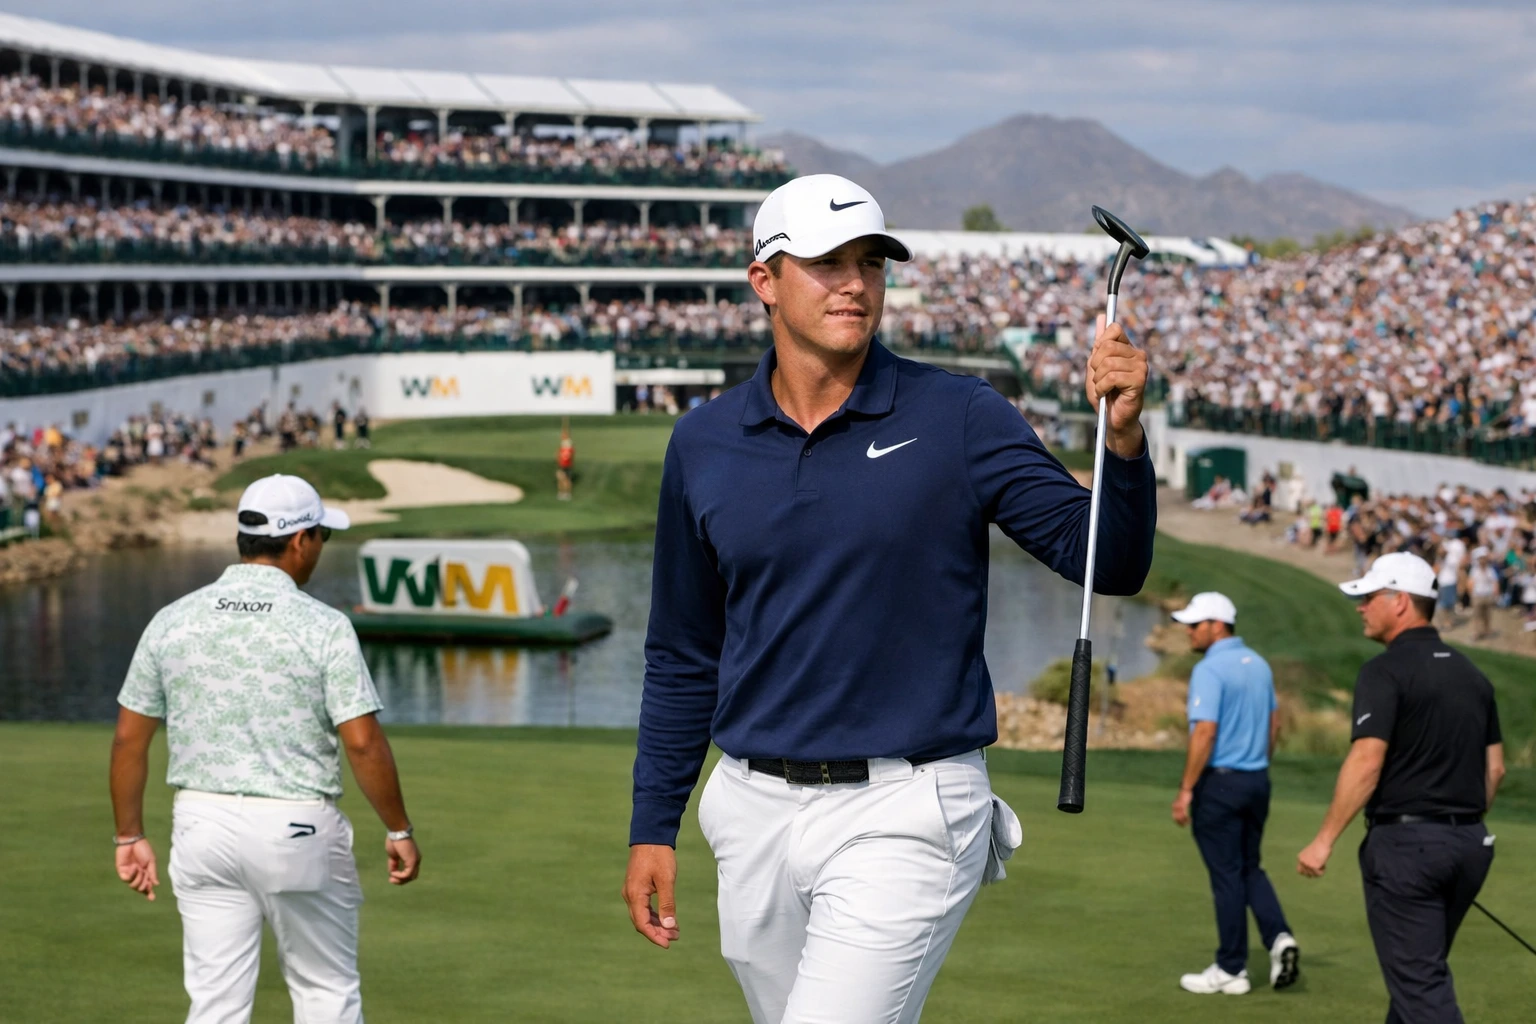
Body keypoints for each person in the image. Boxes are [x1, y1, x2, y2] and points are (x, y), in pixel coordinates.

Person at [622, 173, 1157, 1022]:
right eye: (827, 262)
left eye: (871, 263)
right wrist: (654, 821)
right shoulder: (703, 443)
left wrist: (1123, 440)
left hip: (907, 805)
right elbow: (686, 652)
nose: (854, 283)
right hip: (751, 807)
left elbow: (1106, 562)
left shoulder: (959, 415)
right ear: (764, 280)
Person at [109, 474, 421, 1023]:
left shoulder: (173, 619)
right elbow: (363, 742)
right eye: (322, 535)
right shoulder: (324, 626)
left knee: (215, 1006)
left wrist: (130, 835)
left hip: (201, 826)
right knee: (326, 994)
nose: (321, 547)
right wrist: (398, 829)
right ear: (300, 540)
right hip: (297, 829)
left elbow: (129, 738)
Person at [1297, 552, 1504, 1024]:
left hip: (1407, 850)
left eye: (1369, 597)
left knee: (1421, 989)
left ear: (1400, 602)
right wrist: (1459, 831)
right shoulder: (1475, 675)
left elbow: (1367, 760)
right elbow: (1495, 771)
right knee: (1417, 976)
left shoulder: (1383, 671)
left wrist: (1323, 840)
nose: (1361, 607)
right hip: (1471, 844)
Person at [1169, 592, 1298, 995]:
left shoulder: (1209, 669)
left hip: (1220, 784)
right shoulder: (1258, 664)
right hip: (1257, 779)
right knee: (1249, 867)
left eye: (1195, 624)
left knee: (1226, 875)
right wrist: (1257, 765)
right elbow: (1274, 725)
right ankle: (1279, 938)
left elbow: (1204, 732)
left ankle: (1231, 969)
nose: (1189, 632)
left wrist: (1187, 790)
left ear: (1216, 625)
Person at [556, 420, 575, 501]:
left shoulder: (569, 447)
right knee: (561, 478)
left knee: (567, 480)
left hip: (567, 465)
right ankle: (561, 493)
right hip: (562, 465)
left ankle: (567, 493)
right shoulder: (563, 447)